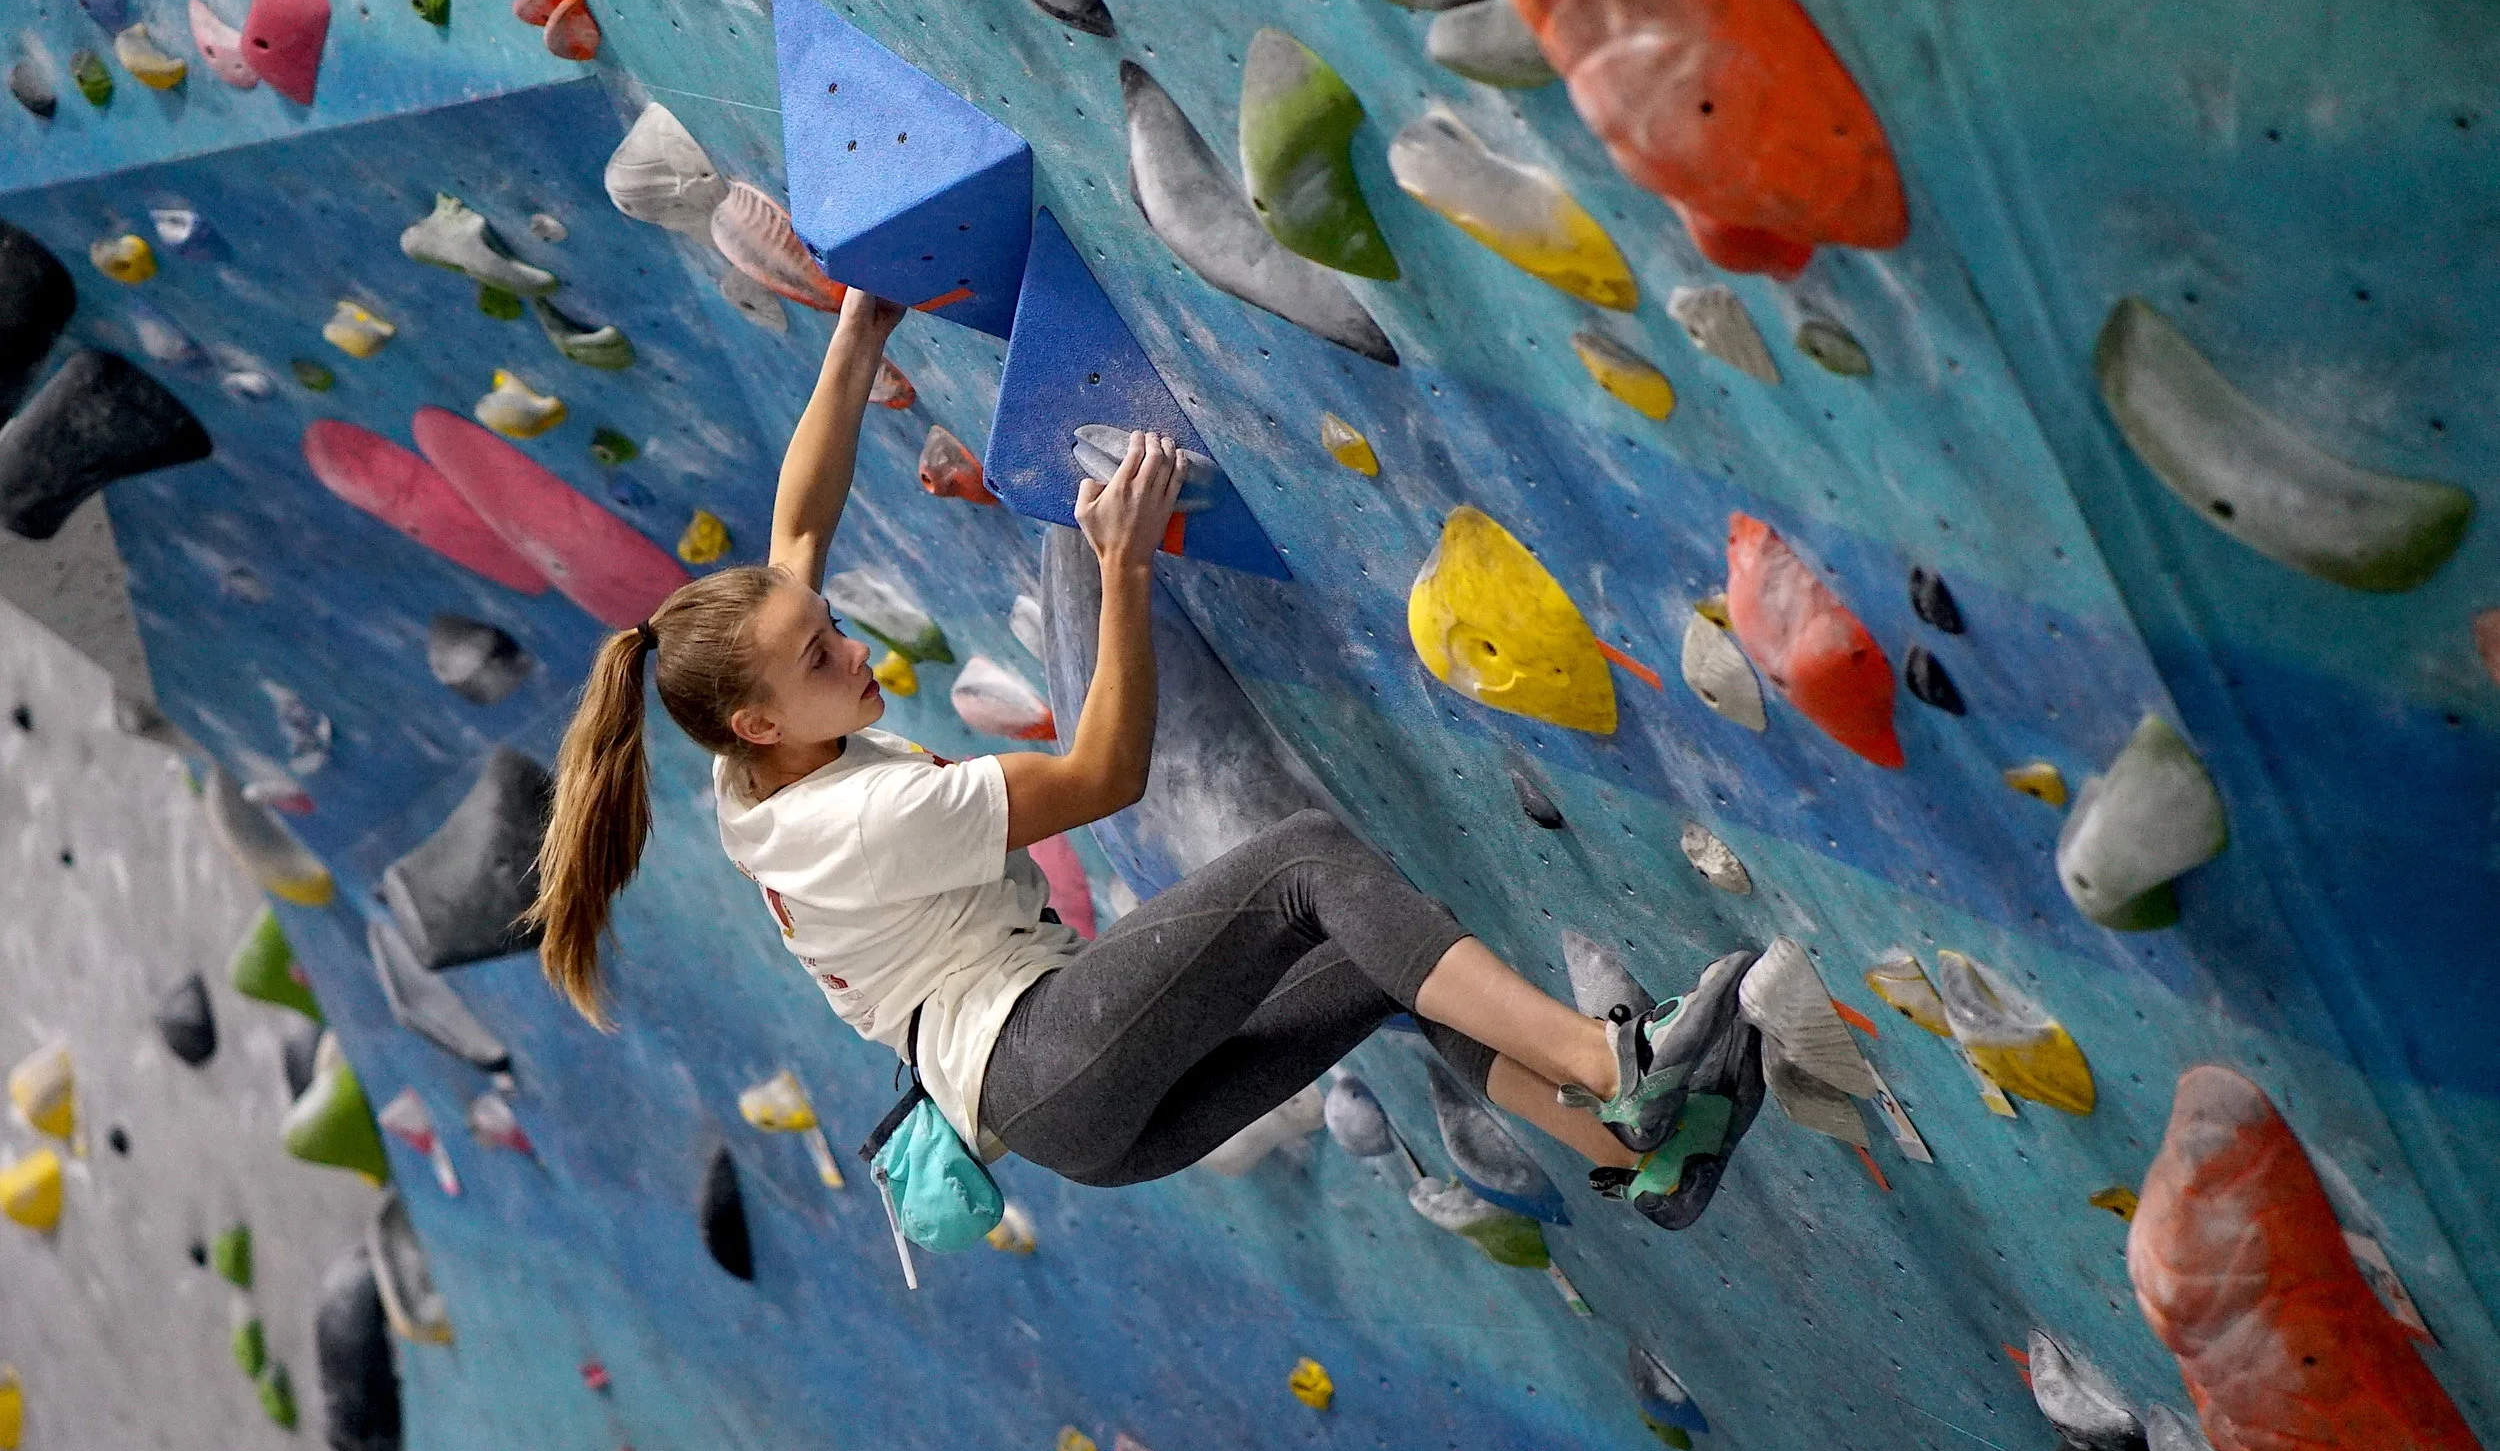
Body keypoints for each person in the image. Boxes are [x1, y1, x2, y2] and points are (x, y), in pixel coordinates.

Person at [527, 286, 1754, 1230]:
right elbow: (1105, 774)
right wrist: (1121, 567)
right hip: (1047, 1056)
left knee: (1382, 960)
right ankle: (1615, 1066)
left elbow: (798, 524)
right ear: (758, 718)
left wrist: (859, 327)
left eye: (830, 632)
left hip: (1075, 1110)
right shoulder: (858, 818)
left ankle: (1644, 1155)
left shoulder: (753, 749)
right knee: (1310, 868)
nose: (850, 653)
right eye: (819, 660)